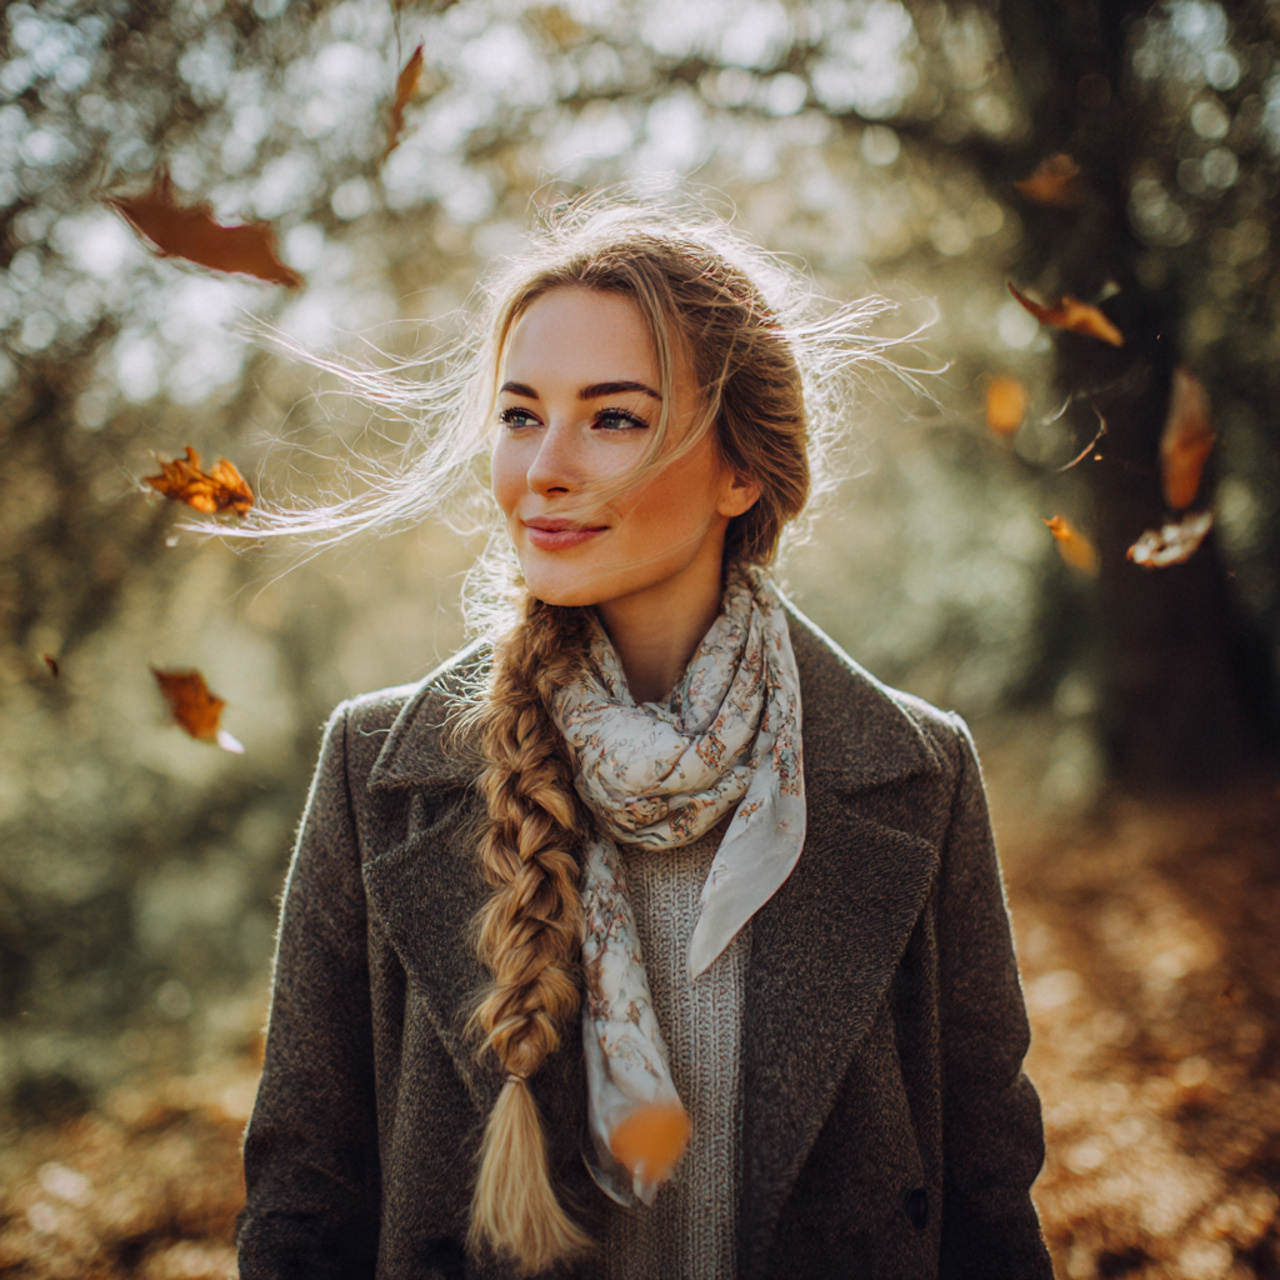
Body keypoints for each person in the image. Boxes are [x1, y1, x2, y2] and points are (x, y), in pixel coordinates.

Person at [236, 198, 1053, 1279]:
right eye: (519, 415)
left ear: (741, 470)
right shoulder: (376, 770)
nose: (544, 468)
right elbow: (301, 1204)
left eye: (613, 418)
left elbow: (989, 1196)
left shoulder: (917, 772)